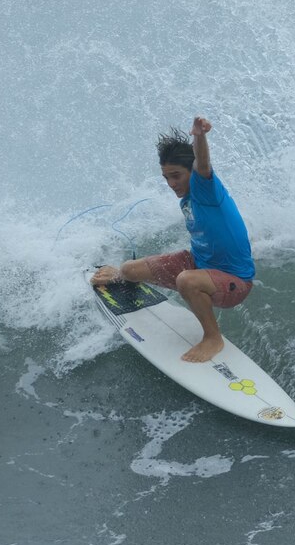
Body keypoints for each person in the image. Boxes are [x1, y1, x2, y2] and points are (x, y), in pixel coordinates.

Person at [90, 116, 255, 362]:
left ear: (191, 172)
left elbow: (203, 164)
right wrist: (121, 275)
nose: (171, 183)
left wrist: (199, 137)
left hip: (234, 281)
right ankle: (119, 274)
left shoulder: (205, 189)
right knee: (129, 269)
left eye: (176, 176)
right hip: (199, 264)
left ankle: (212, 338)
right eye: (166, 177)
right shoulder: (186, 198)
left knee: (186, 281)